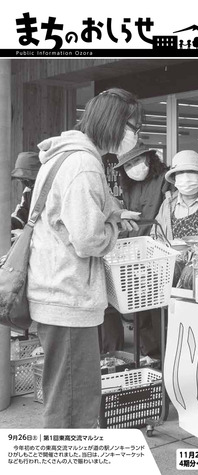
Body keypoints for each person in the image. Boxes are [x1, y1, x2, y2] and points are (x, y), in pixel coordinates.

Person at [27, 87, 142, 428]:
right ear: (115, 123)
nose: (135, 134)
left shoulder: (64, 155)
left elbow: (66, 218)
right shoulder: (85, 163)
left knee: (65, 396)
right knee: (74, 406)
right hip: (69, 297)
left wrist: (111, 214)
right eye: (133, 126)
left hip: (55, 290)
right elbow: (88, 239)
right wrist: (113, 228)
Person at [100, 141, 173, 357]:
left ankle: (163, 355)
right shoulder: (129, 186)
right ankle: (147, 353)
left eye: (138, 161)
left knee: (159, 309)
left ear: (150, 158)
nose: (134, 167)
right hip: (135, 250)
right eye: (129, 164)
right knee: (140, 306)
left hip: (159, 248)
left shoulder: (166, 179)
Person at [11, 151, 41, 231]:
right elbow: (22, 213)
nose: (25, 182)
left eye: (28, 178)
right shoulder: (28, 191)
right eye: (21, 179)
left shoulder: (49, 191)